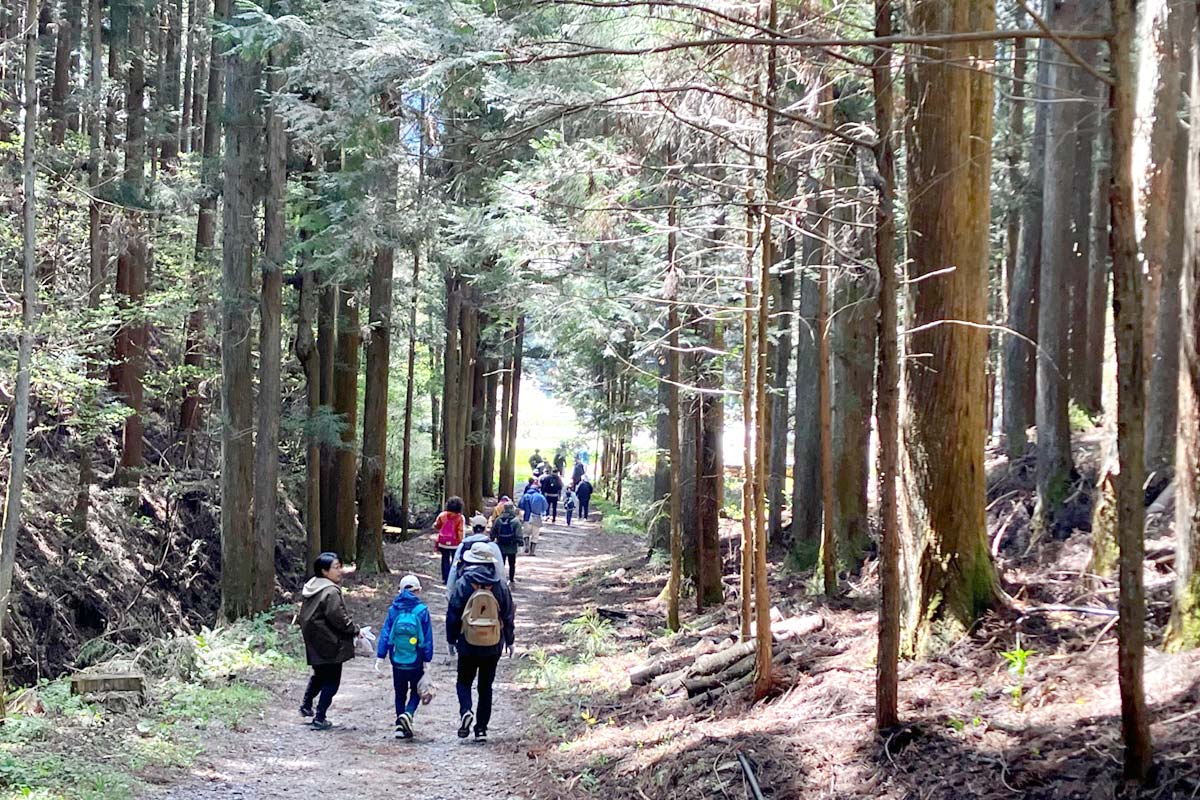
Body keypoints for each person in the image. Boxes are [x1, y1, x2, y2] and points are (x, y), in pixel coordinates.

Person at [446, 543, 516, 742]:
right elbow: (508, 615)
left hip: (467, 642)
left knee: (464, 681)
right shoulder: (500, 585)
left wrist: (451, 640)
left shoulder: (463, 583)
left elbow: (453, 614)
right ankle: (481, 729)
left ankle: (466, 711)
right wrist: (510, 641)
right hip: (493, 643)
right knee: (486, 686)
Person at [298, 552, 358, 730]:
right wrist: (354, 629)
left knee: (320, 675)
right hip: (330, 641)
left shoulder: (312, 587)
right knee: (332, 681)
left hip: (314, 641)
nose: (340, 571)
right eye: (336, 568)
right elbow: (337, 617)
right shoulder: (330, 591)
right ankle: (320, 717)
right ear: (324, 571)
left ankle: (306, 705)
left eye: (340, 566)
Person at [375, 574, 433, 739]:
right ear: (419, 591)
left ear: (399, 590)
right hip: (416, 659)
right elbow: (427, 638)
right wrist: (427, 660)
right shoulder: (422, 611)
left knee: (400, 692)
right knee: (416, 690)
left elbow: (386, 633)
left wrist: (381, 656)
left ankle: (400, 726)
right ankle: (408, 714)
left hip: (397, 659)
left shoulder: (394, 609)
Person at [446, 515, 508, 597]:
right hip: (489, 589)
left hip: (466, 588)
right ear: (485, 528)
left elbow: (454, 568)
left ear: (472, 528)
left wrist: (449, 591)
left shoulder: (463, 546)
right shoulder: (493, 547)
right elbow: (499, 569)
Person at [434, 496, 466, 584]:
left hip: (443, 542)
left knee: (445, 559)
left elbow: (437, 525)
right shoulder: (460, 517)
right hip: (455, 543)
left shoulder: (442, 515)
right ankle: (453, 578)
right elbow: (460, 531)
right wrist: (461, 542)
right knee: (455, 560)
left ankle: (445, 578)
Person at [491, 502, 523, 582]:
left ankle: (500, 578)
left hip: (501, 545)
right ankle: (511, 578)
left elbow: (493, 531)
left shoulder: (498, 520)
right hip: (512, 547)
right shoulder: (516, 521)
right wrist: (520, 542)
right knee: (512, 564)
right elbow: (519, 533)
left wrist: (492, 540)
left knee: (501, 563)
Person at [517, 482, 548, 555]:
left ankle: (526, 546)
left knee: (525, 533)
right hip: (536, 518)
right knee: (535, 535)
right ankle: (532, 551)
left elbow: (520, 506)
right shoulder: (540, 496)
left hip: (527, 517)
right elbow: (545, 507)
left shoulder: (525, 496)